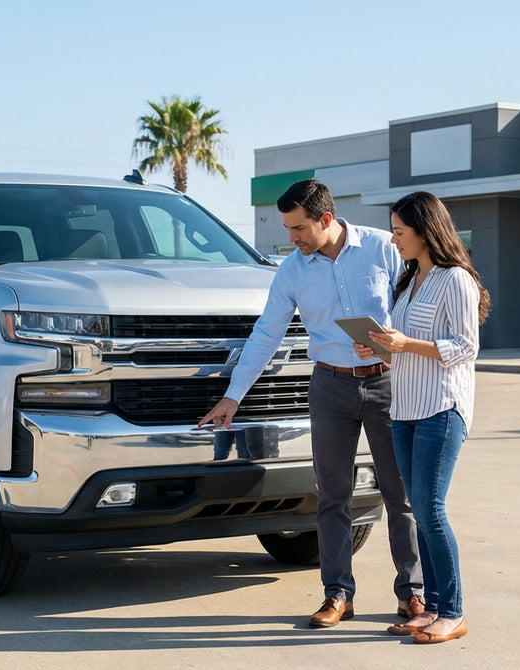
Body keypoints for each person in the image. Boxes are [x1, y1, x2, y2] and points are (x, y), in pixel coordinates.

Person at [197, 178, 424, 628]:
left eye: (298, 228)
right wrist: (231, 397)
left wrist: (388, 344)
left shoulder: (384, 248)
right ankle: (338, 593)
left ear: (325, 219)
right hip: (329, 389)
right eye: (287, 228)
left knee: (401, 495)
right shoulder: (292, 270)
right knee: (332, 496)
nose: (291, 238)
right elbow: (266, 334)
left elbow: (415, 308)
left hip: (388, 385)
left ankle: (412, 593)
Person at [355, 191, 490, 644]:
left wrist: (404, 344)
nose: (393, 239)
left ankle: (453, 612)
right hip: (404, 408)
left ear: (425, 232)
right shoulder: (409, 282)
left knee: (431, 512)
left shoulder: (456, 280)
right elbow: (405, 353)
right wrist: (377, 349)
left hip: (442, 408)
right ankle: (431, 608)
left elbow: (465, 348)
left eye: (399, 231)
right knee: (418, 511)